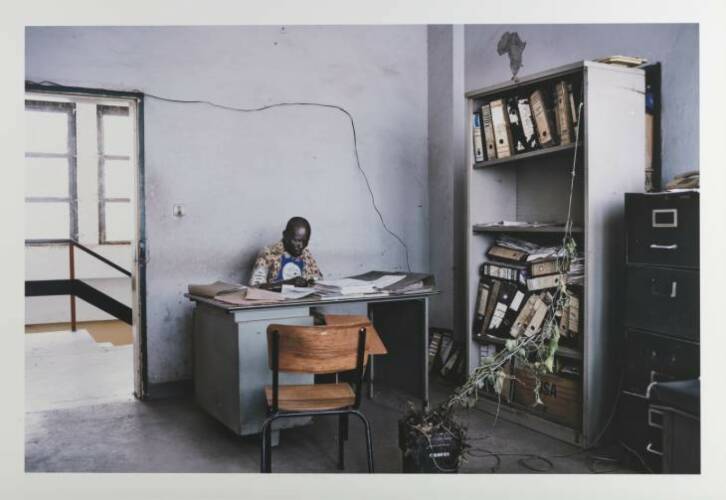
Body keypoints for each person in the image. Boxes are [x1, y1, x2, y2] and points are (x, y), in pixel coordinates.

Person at [249, 217, 323, 288]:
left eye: (305, 241)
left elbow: (319, 281)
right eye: (296, 240)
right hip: (274, 297)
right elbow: (255, 287)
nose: (301, 245)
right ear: (285, 235)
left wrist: (312, 282)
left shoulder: (306, 255)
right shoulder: (268, 253)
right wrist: (287, 284)